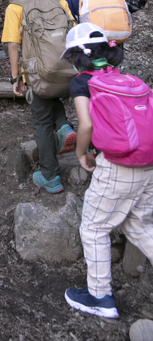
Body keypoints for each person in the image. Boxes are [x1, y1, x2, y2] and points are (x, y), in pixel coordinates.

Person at [61, 23, 153, 319]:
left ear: (77, 57)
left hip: (117, 165)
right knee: (140, 226)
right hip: (148, 164)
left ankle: (100, 297)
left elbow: (86, 125)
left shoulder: (82, 82)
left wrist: (81, 153)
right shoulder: (127, 79)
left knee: (94, 227)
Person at [2, 0, 77, 194]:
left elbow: (13, 44)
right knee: (51, 97)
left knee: (42, 121)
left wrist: (16, 78)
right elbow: (73, 30)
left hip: (36, 72)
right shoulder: (58, 0)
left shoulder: (16, 6)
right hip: (67, 69)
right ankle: (64, 127)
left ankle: (50, 176)